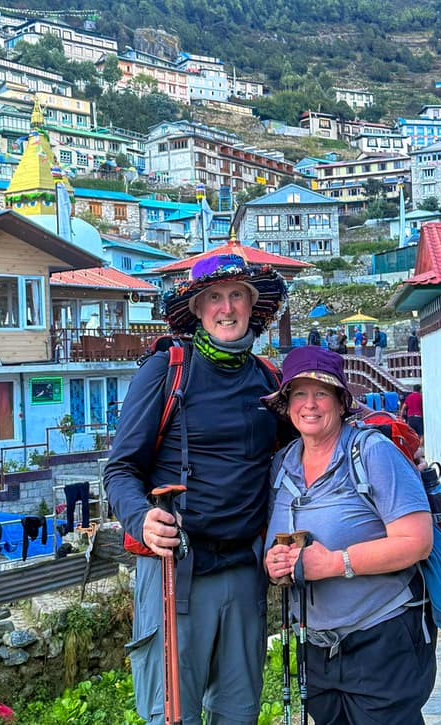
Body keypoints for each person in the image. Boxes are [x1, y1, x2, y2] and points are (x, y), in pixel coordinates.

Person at [105, 252, 288, 725]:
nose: (226, 308)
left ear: (252, 306)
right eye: (214, 297)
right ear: (198, 309)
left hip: (245, 572)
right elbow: (120, 469)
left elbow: (303, 454)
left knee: (239, 713)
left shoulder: (268, 380)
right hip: (177, 569)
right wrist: (141, 519)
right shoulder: (167, 370)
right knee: (173, 716)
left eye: (237, 296)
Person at [262, 346, 435, 724]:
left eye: (321, 393)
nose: (310, 404)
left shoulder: (372, 453)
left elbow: (417, 541)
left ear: (341, 402)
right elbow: (275, 541)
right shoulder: (283, 464)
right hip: (315, 648)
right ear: (287, 405)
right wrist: (274, 563)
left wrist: (332, 563)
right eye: (299, 393)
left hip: (381, 638)